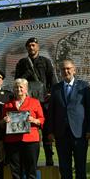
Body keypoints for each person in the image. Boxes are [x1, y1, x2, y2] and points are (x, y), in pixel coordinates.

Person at [47, 59, 90, 179]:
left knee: (81, 168)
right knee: (65, 169)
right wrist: (49, 131)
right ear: (60, 72)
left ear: (74, 70)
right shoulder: (55, 89)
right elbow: (51, 113)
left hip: (80, 134)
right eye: (63, 69)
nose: (66, 71)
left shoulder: (84, 86)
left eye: (68, 69)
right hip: (61, 135)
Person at [1, 78, 44, 179]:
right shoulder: (7, 105)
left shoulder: (35, 102)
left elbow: (42, 119)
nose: (18, 90)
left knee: (31, 171)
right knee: (16, 172)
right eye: (16, 87)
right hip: (13, 142)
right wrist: (4, 120)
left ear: (26, 89)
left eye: (21, 87)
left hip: (31, 140)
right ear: (13, 90)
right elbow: (1, 124)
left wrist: (34, 120)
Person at [15, 37, 55, 166]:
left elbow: (52, 79)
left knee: (47, 129)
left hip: (43, 100)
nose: (31, 48)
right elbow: (17, 81)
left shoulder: (46, 61)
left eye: (33, 45)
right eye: (29, 46)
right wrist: (27, 73)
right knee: (28, 128)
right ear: (26, 48)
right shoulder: (22, 63)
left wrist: (50, 93)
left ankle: (49, 156)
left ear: (37, 47)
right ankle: (29, 159)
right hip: (28, 101)